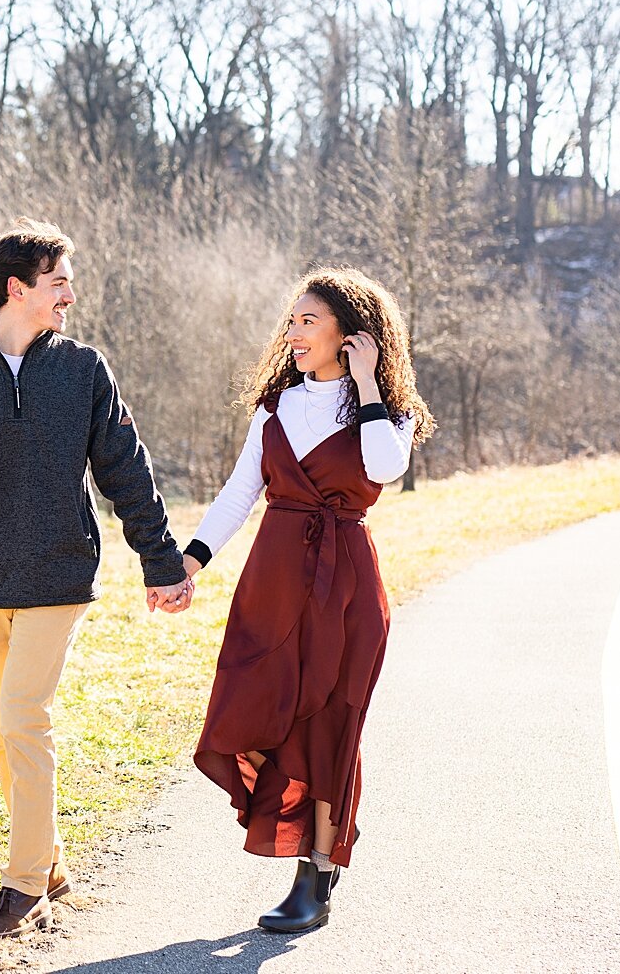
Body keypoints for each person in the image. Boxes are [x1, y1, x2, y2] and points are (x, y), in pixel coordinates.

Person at [0, 218, 193, 940]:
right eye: (58, 281)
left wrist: (160, 561)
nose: (70, 294)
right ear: (17, 288)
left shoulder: (83, 369)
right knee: (2, 733)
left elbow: (126, 468)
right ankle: (51, 861)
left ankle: (22, 885)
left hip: (58, 576)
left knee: (23, 720)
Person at [181, 266, 435, 933]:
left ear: (350, 337)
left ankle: (315, 873)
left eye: (308, 321)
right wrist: (190, 561)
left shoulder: (388, 410)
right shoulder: (277, 406)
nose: (292, 332)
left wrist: (369, 384)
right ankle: (306, 856)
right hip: (273, 581)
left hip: (346, 584)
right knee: (266, 707)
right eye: (291, 320)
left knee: (329, 724)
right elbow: (240, 492)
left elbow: (383, 467)